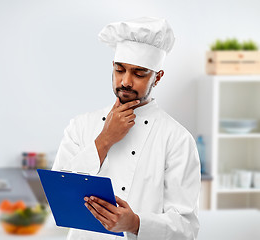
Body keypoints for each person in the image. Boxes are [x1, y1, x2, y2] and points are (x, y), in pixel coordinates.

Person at [52, 17, 200, 240]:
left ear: (157, 77)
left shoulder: (177, 139)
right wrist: (104, 139)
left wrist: (136, 223)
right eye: (120, 70)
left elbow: (187, 229)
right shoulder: (81, 126)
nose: (126, 82)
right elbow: (58, 195)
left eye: (139, 73)